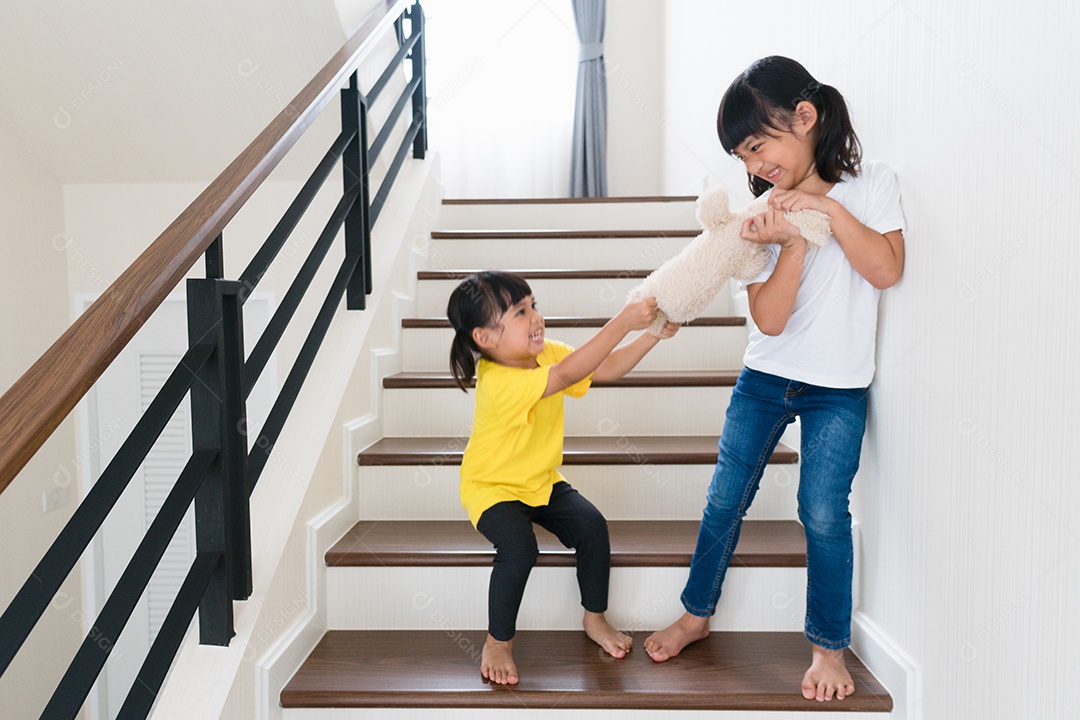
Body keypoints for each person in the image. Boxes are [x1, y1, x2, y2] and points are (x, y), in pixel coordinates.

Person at [643, 56, 906, 704]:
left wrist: (822, 212)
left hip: (839, 387)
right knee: (725, 499)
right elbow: (771, 319)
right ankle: (696, 614)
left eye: (760, 145)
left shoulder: (873, 184)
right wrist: (789, 241)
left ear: (807, 117)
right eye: (744, 155)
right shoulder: (753, 216)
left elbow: (886, 269)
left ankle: (828, 647)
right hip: (765, 376)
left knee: (822, 512)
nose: (757, 165)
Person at [447, 270, 679, 685]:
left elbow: (604, 368)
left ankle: (595, 618)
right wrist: (623, 321)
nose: (535, 317)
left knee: (592, 526)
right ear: (485, 338)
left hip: (541, 480)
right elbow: (568, 375)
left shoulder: (546, 353)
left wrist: (652, 335)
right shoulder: (498, 380)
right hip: (492, 488)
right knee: (519, 548)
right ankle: (498, 641)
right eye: (520, 312)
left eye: (534, 305)